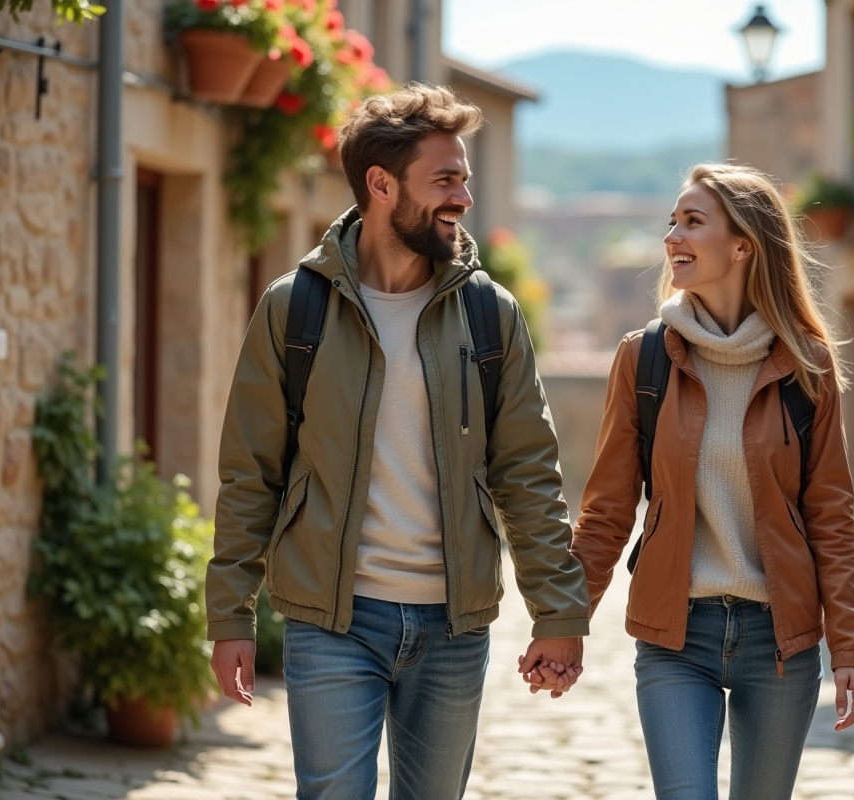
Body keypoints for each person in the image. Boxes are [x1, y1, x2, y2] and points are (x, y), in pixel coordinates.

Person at [205, 83, 589, 800]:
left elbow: (528, 473)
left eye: (464, 179)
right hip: (331, 621)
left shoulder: (487, 314)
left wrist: (559, 614)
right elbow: (250, 471)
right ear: (381, 184)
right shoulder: (296, 308)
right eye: (445, 180)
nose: (463, 198)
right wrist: (230, 614)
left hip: (453, 625)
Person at [567, 163, 854, 800]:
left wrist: (850, 649)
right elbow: (606, 510)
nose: (673, 235)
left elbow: (831, 518)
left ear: (743, 245)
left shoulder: (804, 366)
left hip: (778, 642)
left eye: (693, 221)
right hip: (676, 635)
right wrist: (565, 621)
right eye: (672, 222)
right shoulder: (643, 357)